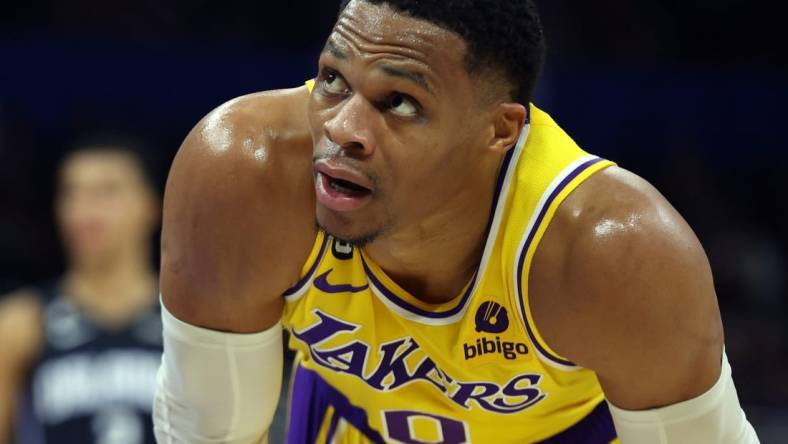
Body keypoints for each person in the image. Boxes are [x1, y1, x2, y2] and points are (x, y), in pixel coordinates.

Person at [153, 0, 759, 442]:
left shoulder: (612, 253)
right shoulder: (246, 174)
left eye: (400, 104)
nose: (342, 130)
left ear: (500, 131)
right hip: (351, 424)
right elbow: (208, 433)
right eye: (334, 81)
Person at [0, 140, 163, 444]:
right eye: (71, 193)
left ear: (150, 206)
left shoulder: (189, 319)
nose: (84, 209)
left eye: (106, 192)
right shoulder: (21, 322)